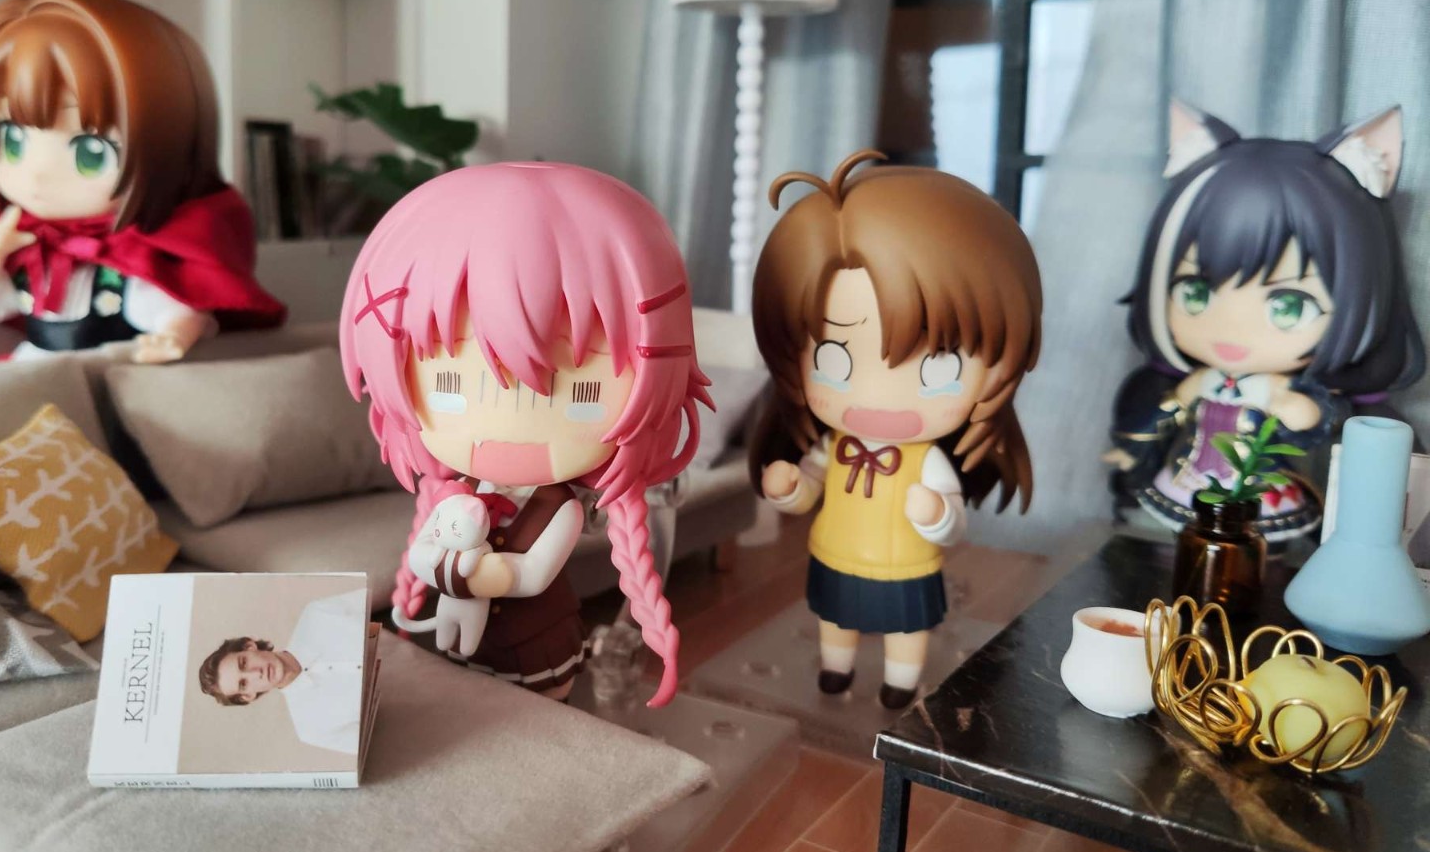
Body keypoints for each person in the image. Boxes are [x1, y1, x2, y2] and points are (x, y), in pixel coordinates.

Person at [339, 162, 711, 708]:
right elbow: (422, 552)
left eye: (581, 391)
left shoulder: (560, 507)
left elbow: (535, 574)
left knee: (543, 715)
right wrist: (437, 566)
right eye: (448, 385)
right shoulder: (456, 492)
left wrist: (490, 574)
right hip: (463, 635)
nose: (507, 428)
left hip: (536, 639)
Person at [749, 151, 1042, 710]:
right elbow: (809, 487)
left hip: (906, 561)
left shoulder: (926, 460)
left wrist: (936, 515)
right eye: (834, 358)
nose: (878, 396)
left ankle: (900, 682)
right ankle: (836, 670)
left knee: (907, 626)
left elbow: (952, 524)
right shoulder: (832, 445)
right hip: (836, 551)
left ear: (998, 371)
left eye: (938, 367)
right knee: (835, 617)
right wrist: (789, 489)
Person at [1106, 103, 1424, 542]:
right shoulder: (1202, 379)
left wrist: (1299, 409)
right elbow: (1169, 410)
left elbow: (1310, 420)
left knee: (1256, 558)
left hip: (1258, 495)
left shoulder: (1280, 389)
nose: (1231, 329)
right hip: (1189, 483)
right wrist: (1149, 429)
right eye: (1195, 293)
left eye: (1288, 306)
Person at [0, 0, 285, 362]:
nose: (37, 175)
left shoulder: (133, 262)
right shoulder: (30, 254)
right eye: (13, 140)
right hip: (36, 367)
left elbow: (179, 314)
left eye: (90, 153)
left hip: (108, 372)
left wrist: (175, 336)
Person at [197, 588, 367, 755]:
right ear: (248, 696)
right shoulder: (311, 729)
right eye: (243, 683)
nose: (256, 673)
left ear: (249, 646)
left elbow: (381, 602)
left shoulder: (316, 614)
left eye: (244, 663)